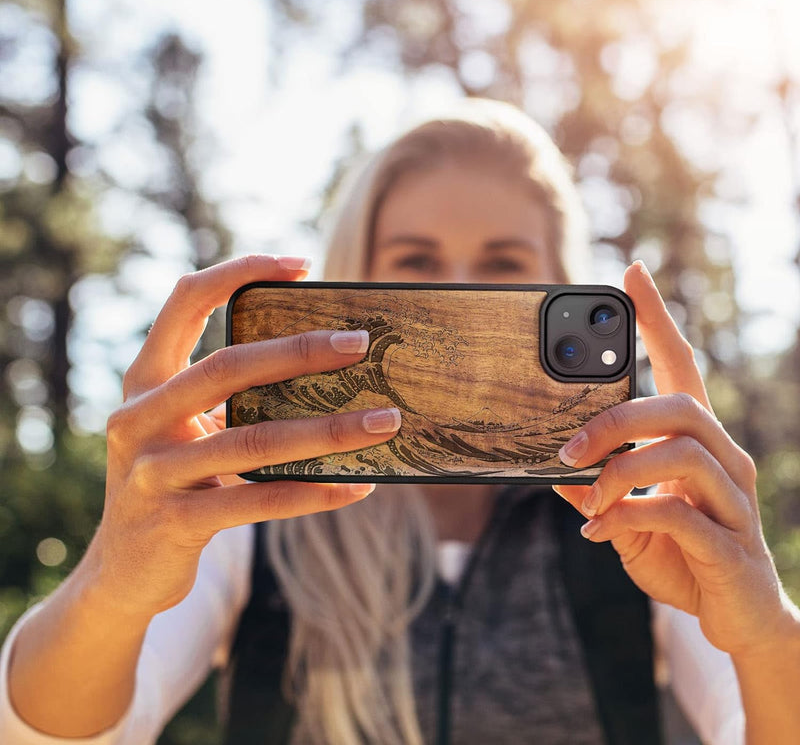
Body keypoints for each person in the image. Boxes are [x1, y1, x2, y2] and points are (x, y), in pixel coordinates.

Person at [1, 99, 799, 745]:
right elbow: (55, 734)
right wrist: (114, 581)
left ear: (558, 284)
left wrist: (766, 636)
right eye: (415, 263)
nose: (454, 296)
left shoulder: (636, 518)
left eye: (502, 266)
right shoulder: (254, 511)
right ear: (355, 279)